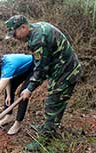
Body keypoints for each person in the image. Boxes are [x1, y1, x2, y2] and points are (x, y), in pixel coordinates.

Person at [5, 15, 82, 150]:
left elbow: (41, 68)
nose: (15, 38)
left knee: (52, 104)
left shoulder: (38, 39)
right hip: (60, 69)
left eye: (15, 34)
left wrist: (29, 88)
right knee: (53, 102)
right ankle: (47, 126)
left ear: (23, 27)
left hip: (66, 72)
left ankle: (45, 139)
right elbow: (40, 64)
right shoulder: (36, 29)